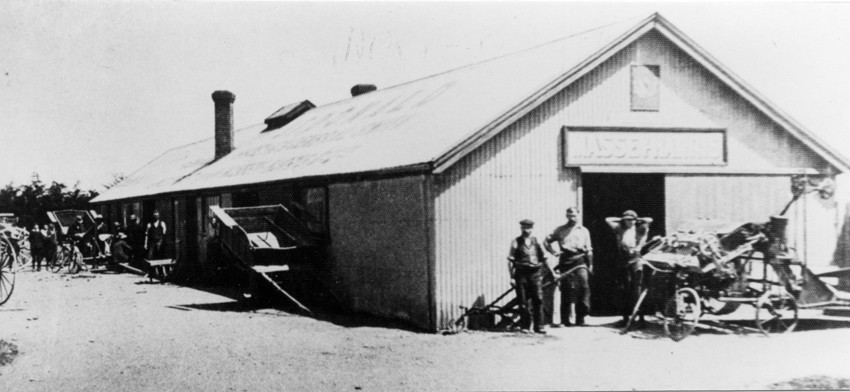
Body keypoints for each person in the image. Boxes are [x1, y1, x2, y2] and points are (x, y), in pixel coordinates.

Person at [544, 207, 593, 327]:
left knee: (583, 286)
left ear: (578, 215)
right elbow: (546, 241)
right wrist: (554, 252)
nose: (572, 218)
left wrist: (590, 264)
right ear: (566, 216)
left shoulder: (584, 230)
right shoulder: (560, 230)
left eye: (574, 215)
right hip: (565, 261)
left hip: (580, 261)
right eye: (569, 216)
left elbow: (589, 250)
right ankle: (566, 320)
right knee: (566, 289)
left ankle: (581, 318)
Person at [606, 210, 653, 327]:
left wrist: (637, 219)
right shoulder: (619, 228)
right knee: (623, 289)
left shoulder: (640, 228)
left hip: (636, 260)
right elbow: (607, 219)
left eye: (632, 220)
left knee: (637, 289)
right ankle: (626, 317)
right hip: (623, 260)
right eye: (627, 220)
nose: (630, 222)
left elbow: (649, 220)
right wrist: (621, 219)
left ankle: (640, 318)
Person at [507, 219, 548, 334]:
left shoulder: (537, 241)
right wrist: (512, 277)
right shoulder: (516, 241)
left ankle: (539, 326)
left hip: (535, 274)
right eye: (524, 228)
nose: (526, 230)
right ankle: (525, 326)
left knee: (538, 299)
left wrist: (542, 274)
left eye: (528, 228)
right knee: (523, 301)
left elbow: (544, 259)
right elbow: (510, 261)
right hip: (521, 274)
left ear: (532, 228)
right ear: (521, 228)